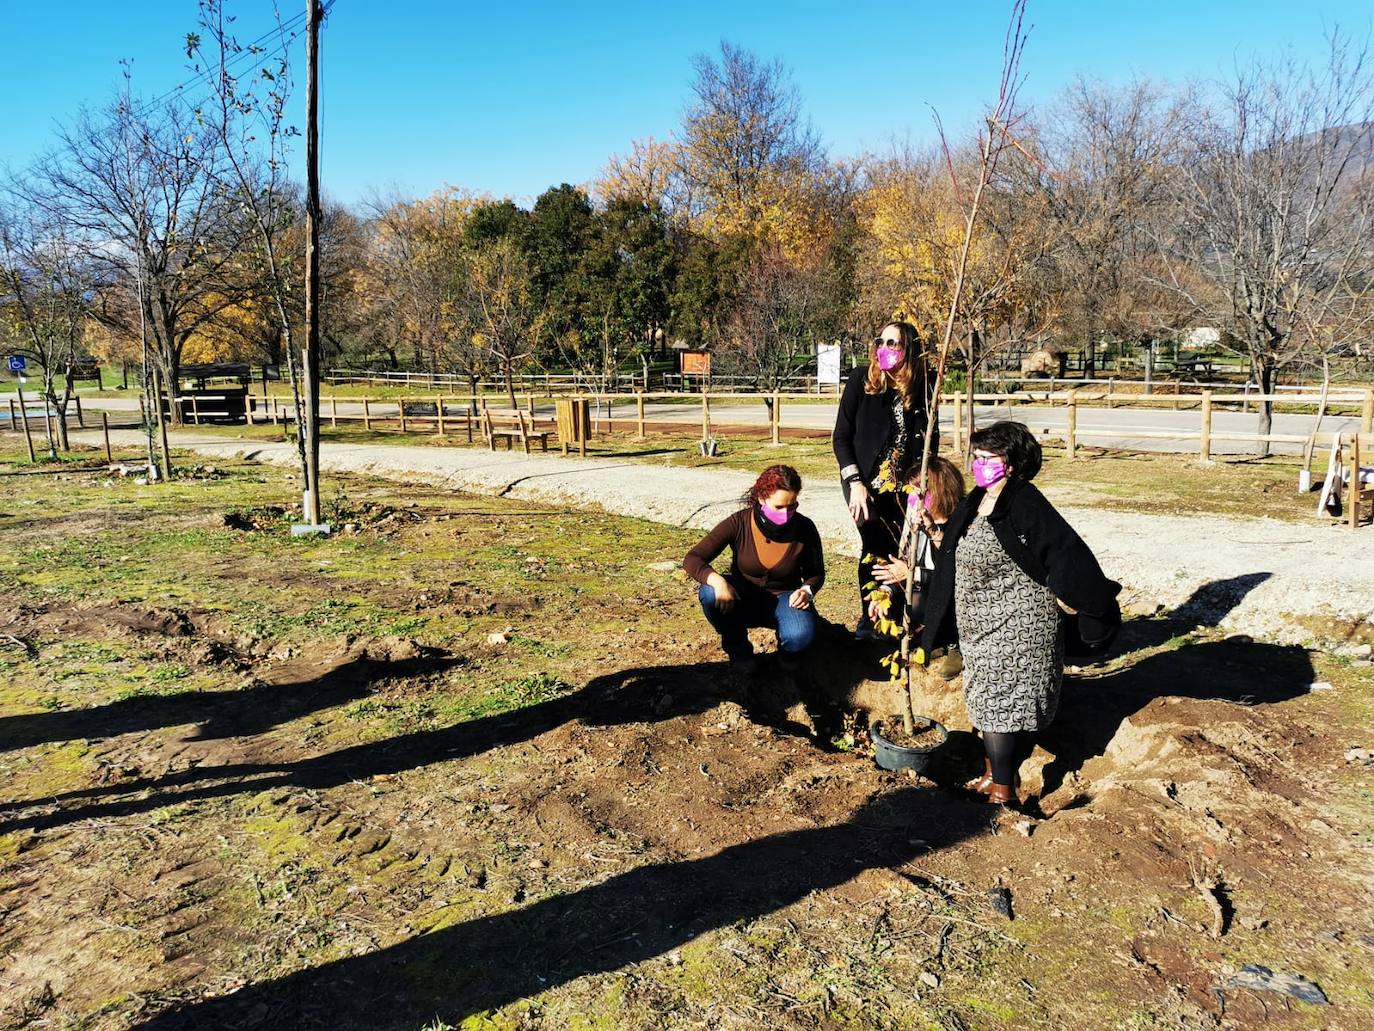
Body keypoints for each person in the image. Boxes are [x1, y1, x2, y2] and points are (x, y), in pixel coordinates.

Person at [919, 421, 1121, 805]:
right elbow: (960, 549)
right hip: (979, 622)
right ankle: (993, 773)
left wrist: (1077, 599)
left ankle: (1003, 792)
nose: (976, 463)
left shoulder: (1025, 503)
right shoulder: (976, 499)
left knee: (1001, 705)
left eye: (985, 457)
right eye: (974, 456)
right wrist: (933, 530)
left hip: (1020, 622)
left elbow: (1064, 553)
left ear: (1010, 463)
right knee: (984, 699)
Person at [832, 321, 937, 640]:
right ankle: (869, 617)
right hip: (863, 483)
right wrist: (856, 484)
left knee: (901, 549)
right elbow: (841, 438)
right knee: (874, 545)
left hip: (905, 486)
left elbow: (931, 440)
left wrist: (923, 483)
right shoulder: (860, 380)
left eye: (894, 343)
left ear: (909, 350)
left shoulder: (926, 384)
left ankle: (896, 614)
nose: (885, 348)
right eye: (882, 341)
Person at [685, 464, 825, 673]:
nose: (786, 513)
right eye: (779, 507)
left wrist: (806, 591)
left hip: (785, 598)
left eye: (792, 506)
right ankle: (738, 650)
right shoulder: (738, 522)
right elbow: (693, 559)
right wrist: (718, 581)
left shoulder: (805, 528)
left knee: (800, 636)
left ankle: (787, 656)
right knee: (709, 593)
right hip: (743, 598)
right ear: (762, 498)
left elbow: (816, 574)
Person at [867, 455, 966, 632]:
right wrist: (886, 590)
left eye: (917, 492)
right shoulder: (916, 524)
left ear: (939, 492)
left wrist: (913, 574)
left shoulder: (961, 523)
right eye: (910, 491)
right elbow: (904, 567)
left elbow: (956, 576)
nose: (912, 498)